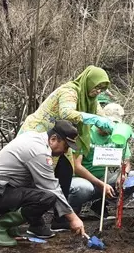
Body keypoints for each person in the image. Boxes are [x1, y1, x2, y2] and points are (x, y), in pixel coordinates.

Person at [19, 66, 116, 222]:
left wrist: (114, 127)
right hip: (41, 134)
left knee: (65, 170)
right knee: (37, 174)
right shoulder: (70, 91)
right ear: (88, 82)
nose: (98, 91)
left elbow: (101, 116)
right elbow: (67, 113)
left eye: (102, 89)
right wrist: (95, 120)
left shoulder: (90, 100)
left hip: (63, 138)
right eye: (97, 87)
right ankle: (27, 217)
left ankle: (61, 218)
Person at [0, 121, 86, 246]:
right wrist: (74, 219)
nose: (65, 151)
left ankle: (15, 225)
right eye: (66, 146)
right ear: (53, 139)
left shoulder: (33, 137)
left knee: (38, 190)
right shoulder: (39, 151)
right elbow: (52, 188)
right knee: (47, 197)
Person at [69, 103, 132, 218]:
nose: (111, 126)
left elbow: (126, 161)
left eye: (115, 123)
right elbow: (76, 166)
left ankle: (100, 204)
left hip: (106, 177)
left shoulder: (119, 135)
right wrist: (101, 184)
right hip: (85, 178)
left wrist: (123, 174)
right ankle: (70, 213)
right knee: (83, 188)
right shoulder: (86, 133)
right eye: (109, 122)